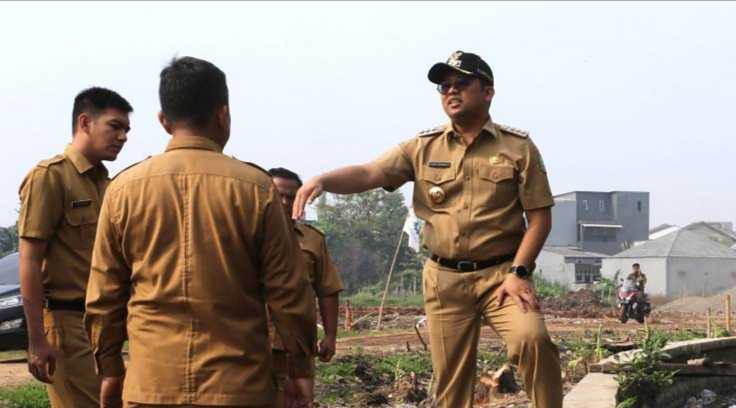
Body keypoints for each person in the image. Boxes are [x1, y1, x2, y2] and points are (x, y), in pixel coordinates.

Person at [293, 50, 562, 408]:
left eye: (462, 83)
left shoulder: (518, 147)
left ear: (488, 91)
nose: (451, 91)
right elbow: (370, 173)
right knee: (451, 382)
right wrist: (323, 179)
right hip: (444, 279)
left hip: (502, 277)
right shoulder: (422, 146)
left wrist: (519, 272)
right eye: (444, 86)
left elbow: (540, 218)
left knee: (534, 341)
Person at [84, 56, 315, 408]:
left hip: (151, 384)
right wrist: (299, 371)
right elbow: (289, 294)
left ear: (163, 121)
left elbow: (104, 296)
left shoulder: (123, 190)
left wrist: (111, 370)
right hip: (239, 386)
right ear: (223, 114)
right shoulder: (256, 188)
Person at [18, 87, 132, 407]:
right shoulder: (50, 177)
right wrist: (37, 340)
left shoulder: (106, 185)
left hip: (100, 324)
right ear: (85, 122)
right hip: (65, 322)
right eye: (114, 126)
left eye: (126, 130)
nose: (122, 137)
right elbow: (29, 260)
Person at [268, 167, 343, 407]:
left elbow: (328, 289)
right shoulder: (244, 235)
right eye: (278, 194)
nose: (284, 201)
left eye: (291, 196)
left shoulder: (313, 240)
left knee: (301, 399)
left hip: (297, 338)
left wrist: (330, 336)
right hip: (256, 338)